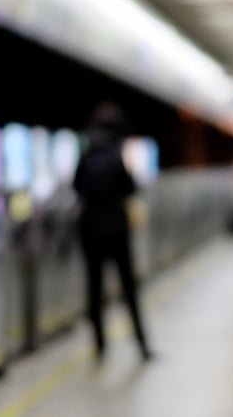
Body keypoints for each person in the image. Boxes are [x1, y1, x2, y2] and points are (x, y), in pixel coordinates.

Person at [73, 102, 153, 362]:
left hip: (90, 229)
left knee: (94, 288)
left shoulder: (87, 152)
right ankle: (141, 344)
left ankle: (100, 346)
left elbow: (77, 186)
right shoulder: (118, 153)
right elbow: (130, 189)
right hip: (117, 229)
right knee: (128, 287)